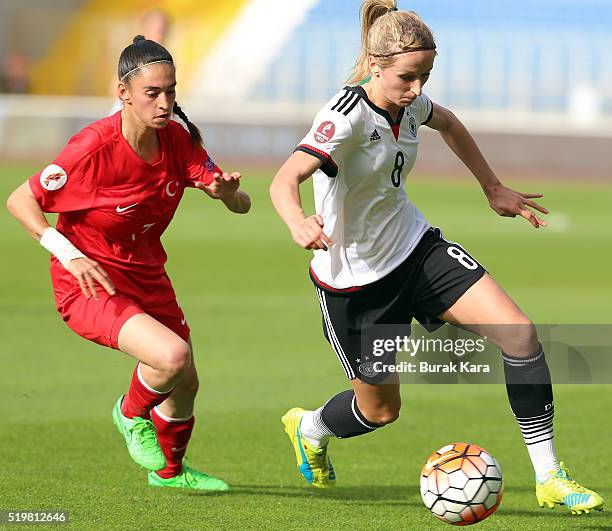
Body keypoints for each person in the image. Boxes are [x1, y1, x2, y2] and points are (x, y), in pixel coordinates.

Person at [269, 0, 604, 515]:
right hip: (356, 283)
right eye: (408, 76)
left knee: (519, 333)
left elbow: (448, 122)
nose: (419, 88)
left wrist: (492, 187)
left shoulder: (410, 104)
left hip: (416, 249)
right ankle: (310, 426)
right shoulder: (346, 116)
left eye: (426, 74)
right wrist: (297, 221)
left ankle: (549, 475)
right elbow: (285, 178)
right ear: (376, 66)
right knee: (380, 412)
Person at [6, 36, 250, 491]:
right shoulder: (91, 147)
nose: (164, 103)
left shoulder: (177, 139)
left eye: (171, 91)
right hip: (90, 281)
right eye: (152, 93)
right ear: (124, 92)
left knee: (185, 381)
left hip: (147, 274)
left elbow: (243, 206)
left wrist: (227, 193)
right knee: (171, 357)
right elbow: (20, 199)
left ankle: (170, 474)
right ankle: (129, 415)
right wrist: (68, 251)